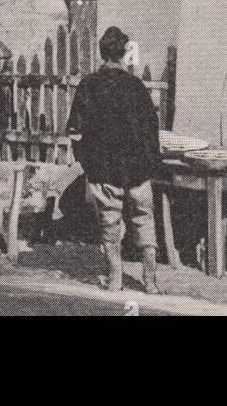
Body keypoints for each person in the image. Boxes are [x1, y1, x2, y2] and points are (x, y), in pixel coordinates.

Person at [67, 25, 162, 294]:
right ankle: (151, 281)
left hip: (104, 170)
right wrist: (150, 164)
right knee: (144, 222)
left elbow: (75, 132)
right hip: (138, 170)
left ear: (101, 53)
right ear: (123, 54)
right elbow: (151, 129)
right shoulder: (136, 87)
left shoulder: (89, 86)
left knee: (110, 225)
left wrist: (87, 163)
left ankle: (116, 279)